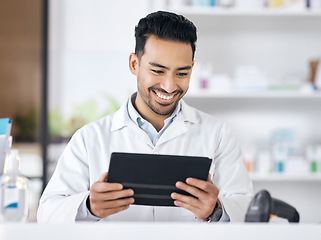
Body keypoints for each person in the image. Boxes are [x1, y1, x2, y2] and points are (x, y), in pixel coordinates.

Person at [37, 11, 253, 223]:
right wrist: (88, 207)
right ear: (134, 64)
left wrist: (216, 210)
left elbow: (245, 208)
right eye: (158, 71)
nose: (169, 86)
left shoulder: (218, 135)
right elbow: (47, 213)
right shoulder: (90, 138)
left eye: (182, 73)